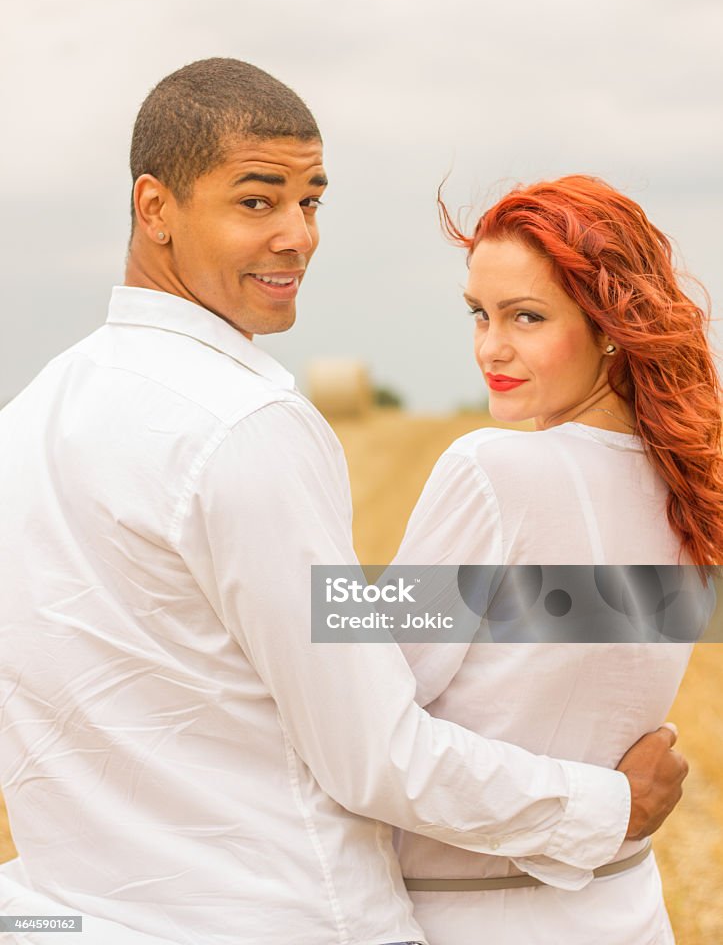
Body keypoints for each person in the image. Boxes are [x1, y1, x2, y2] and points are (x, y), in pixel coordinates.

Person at [0, 63, 687, 945]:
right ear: (154, 207)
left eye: (311, 201)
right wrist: (607, 805)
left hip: (68, 915)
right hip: (281, 917)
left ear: (609, 322)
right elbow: (374, 743)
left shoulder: (25, 422)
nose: (297, 236)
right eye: (257, 202)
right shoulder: (246, 426)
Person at [392, 175, 723, 944]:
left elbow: (373, 715)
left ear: (609, 327)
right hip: (625, 910)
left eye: (526, 317)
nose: (490, 347)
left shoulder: (493, 470)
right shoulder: (688, 489)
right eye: (479, 315)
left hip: (475, 916)